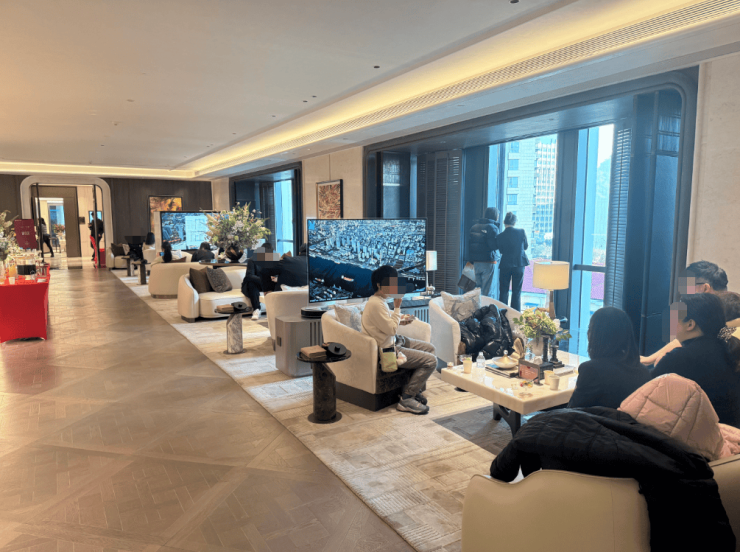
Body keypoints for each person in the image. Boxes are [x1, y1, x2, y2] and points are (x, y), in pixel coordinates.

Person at [650, 293, 740, 427]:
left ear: (690, 324)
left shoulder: (679, 359)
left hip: (698, 435)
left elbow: (643, 396)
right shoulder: (730, 348)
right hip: (730, 431)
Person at [361, 265, 438, 415]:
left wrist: (400, 320)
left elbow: (385, 325)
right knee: (431, 361)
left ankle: (414, 390)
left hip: (396, 340)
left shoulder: (380, 301)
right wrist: (397, 308)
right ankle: (407, 399)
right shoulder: (375, 304)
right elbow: (391, 329)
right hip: (389, 348)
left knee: (430, 348)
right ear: (379, 285)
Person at [641, 260, 730, 366]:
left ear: (705, 288)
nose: (684, 295)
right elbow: (684, 339)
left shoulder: (726, 313)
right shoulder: (712, 309)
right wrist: (649, 359)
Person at [568, 307, 650, 409]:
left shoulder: (591, 370)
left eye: (590, 329)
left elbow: (571, 412)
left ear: (596, 335)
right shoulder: (643, 372)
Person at [496, 212, 529, 312]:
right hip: (519, 264)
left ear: (504, 222)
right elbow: (525, 247)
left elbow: (501, 250)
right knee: (516, 291)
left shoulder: (500, 236)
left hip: (505, 264)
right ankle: (515, 315)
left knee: (503, 291)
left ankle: (503, 315)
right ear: (514, 223)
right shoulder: (521, 232)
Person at [241, 242, 279, 320]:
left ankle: (275, 312)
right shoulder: (252, 260)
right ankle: (256, 310)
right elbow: (249, 275)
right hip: (254, 283)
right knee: (252, 284)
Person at [468, 207, 500, 298]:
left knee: (476, 291)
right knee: (487, 291)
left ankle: (476, 306)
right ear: (495, 216)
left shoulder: (474, 227)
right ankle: (485, 307)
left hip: (475, 262)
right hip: (488, 262)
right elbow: (493, 246)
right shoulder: (493, 228)